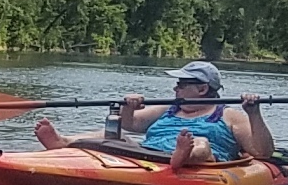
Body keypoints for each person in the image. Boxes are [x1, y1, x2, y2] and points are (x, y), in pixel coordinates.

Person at [34, 60, 273, 171]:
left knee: (201, 143)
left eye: (181, 84)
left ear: (202, 89)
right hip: (148, 155)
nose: (175, 89)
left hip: (201, 161)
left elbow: (262, 152)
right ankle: (64, 142)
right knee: (114, 134)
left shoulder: (229, 115)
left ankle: (183, 155)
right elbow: (130, 124)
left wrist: (253, 113)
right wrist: (130, 106)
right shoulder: (168, 107)